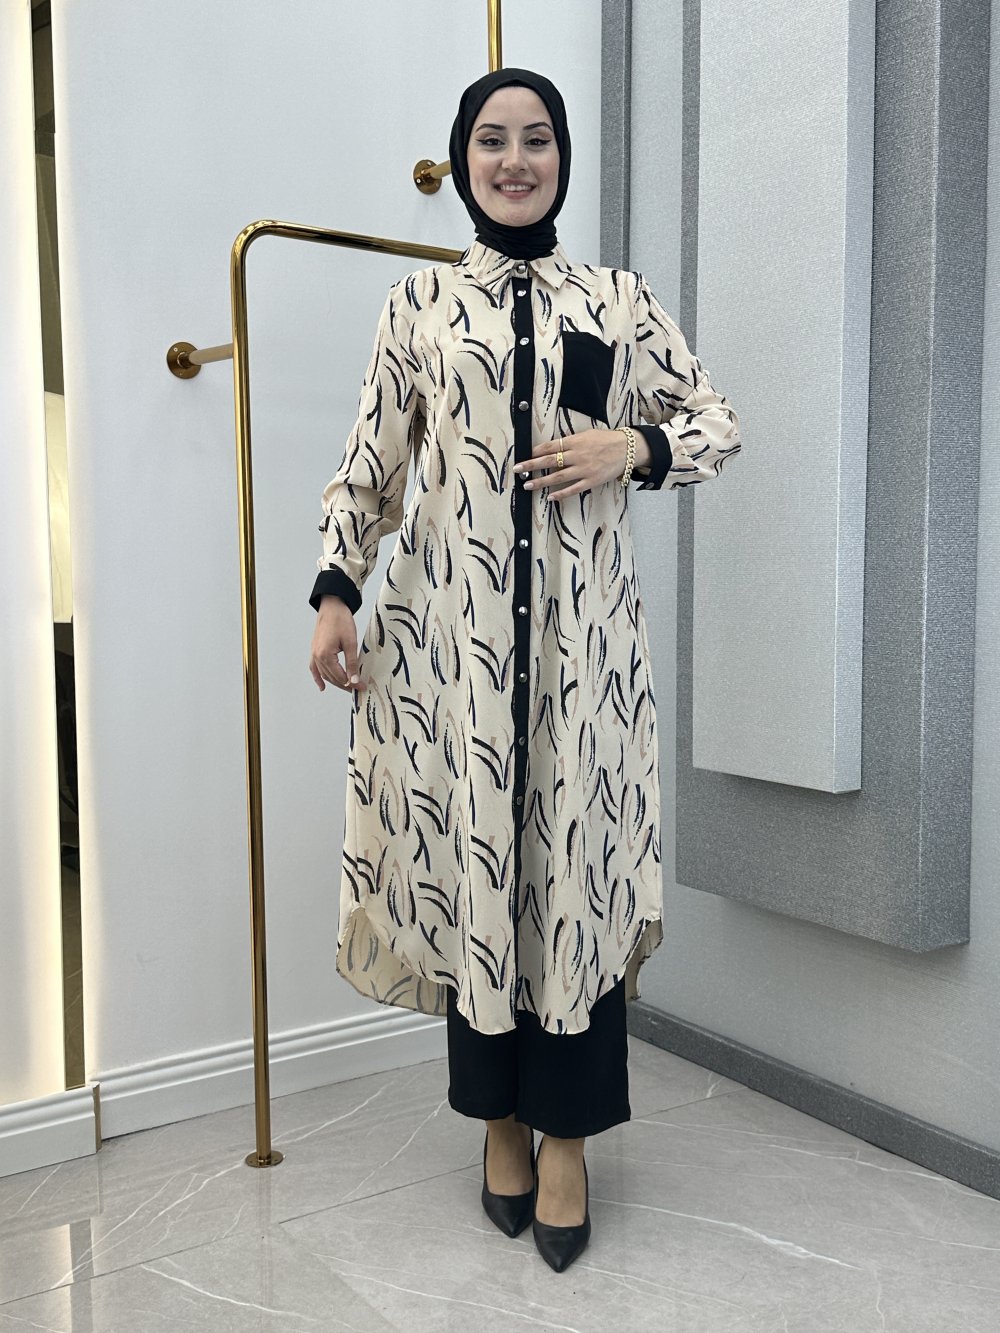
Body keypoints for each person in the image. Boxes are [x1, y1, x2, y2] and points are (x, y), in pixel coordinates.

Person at [308, 67, 741, 1272]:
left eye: (536, 138)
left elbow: (715, 423)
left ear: (561, 157)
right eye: (491, 140)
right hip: (453, 666)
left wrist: (629, 446)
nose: (514, 159)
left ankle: (568, 1144)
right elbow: (370, 469)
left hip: (582, 666)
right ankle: (499, 1120)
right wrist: (335, 591)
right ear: (462, 159)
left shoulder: (616, 299)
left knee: (575, 891)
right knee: (481, 880)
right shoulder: (417, 307)